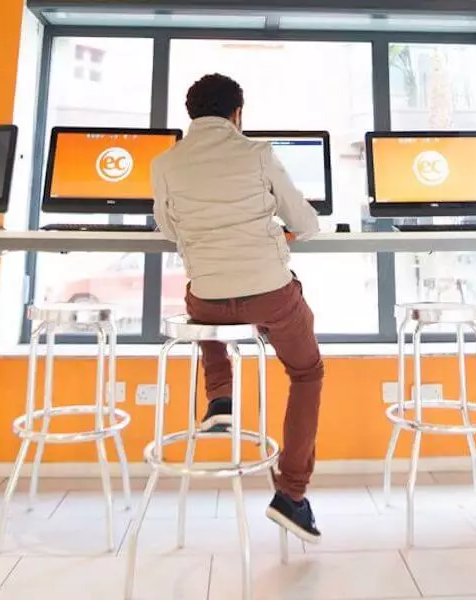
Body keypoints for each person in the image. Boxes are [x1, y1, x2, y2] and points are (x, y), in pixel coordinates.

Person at [151, 73, 323, 543]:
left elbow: (169, 229)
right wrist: (273, 230)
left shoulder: (165, 163)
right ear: (237, 114)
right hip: (269, 292)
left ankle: (221, 398)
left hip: (208, 302)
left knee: (201, 304)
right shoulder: (258, 153)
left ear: (191, 115)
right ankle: (291, 495)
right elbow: (306, 224)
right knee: (306, 373)